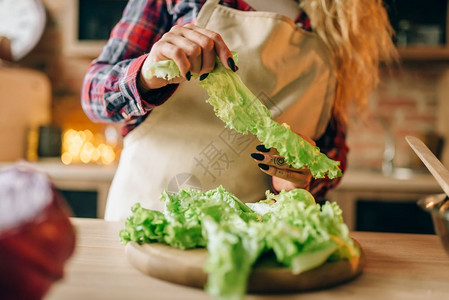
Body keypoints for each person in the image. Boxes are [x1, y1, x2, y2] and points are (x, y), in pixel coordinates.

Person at [82, 0, 396, 221]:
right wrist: (148, 73)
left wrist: (302, 179)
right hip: (147, 215)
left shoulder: (337, 30)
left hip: (250, 240)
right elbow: (93, 93)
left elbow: (332, 151)